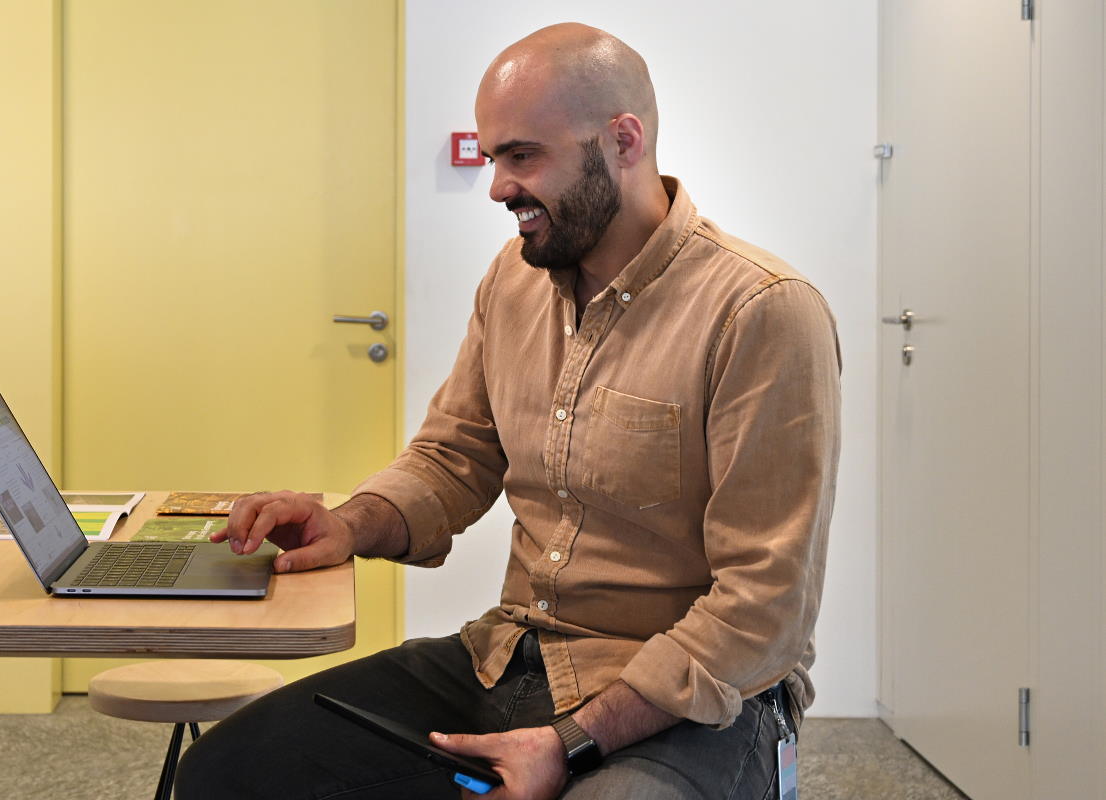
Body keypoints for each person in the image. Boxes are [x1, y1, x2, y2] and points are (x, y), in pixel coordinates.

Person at [175, 21, 839, 800]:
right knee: (230, 773)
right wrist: (347, 524)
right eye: (492, 156)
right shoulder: (514, 281)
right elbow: (453, 457)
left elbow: (763, 608)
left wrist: (568, 744)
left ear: (623, 141)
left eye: (523, 155)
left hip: (697, 701)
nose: (496, 186)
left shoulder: (760, 312)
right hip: (513, 656)